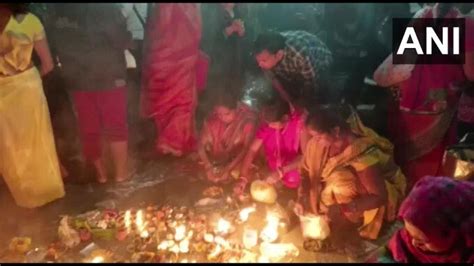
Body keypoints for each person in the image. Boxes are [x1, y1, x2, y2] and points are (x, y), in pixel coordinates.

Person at [373, 3, 474, 188]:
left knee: (409, 166)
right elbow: (471, 73)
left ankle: (411, 203)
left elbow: (396, 63)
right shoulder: (466, 24)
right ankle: (431, 203)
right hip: (439, 107)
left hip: (408, 105)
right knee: (436, 167)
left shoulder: (421, 17)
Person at [295, 106, 406, 240]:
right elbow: (306, 172)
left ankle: (355, 220)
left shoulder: (360, 152)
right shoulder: (317, 145)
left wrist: (344, 209)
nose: (315, 141)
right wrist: (302, 197)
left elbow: (379, 197)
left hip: (370, 197)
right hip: (336, 197)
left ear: (335, 131)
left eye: (319, 137)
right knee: (330, 183)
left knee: (339, 178)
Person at [50, 3, 132, 183]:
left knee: (89, 128)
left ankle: (101, 176)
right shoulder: (104, 7)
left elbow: (55, 42)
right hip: (108, 75)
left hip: (77, 78)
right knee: (116, 127)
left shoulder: (59, 9)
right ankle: (121, 176)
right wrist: (127, 34)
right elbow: (120, 39)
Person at [0, 3, 65, 208]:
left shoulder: (30, 21)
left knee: (10, 146)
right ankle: (46, 193)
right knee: (36, 141)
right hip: (27, 85)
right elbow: (47, 65)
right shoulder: (30, 21)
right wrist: (29, 77)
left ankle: (27, 198)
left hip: (6, 88)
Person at [141, 3, 202, 157]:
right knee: (181, 101)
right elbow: (196, 31)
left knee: (172, 100)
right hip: (177, 58)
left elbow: (156, 30)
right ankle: (173, 143)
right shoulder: (184, 7)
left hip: (167, 58)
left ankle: (171, 143)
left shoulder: (162, 7)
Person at [370, 176, 474, 263]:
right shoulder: (408, 239)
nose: (414, 243)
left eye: (422, 241)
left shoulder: (468, 253)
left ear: (451, 234)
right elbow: (388, 254)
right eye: (410, 234)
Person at [234, 97, 309, 202]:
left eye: (274, 124)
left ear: (285, 118)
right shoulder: (267, 125)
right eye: (269, 123)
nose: (270, 126)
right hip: (272, 164)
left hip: (292, 165)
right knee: (246, 173)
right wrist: (242, 178)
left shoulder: (299, 124)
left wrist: (281, 172)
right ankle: (275, 183)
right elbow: (252, 150)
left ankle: (287, 190)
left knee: (293, 178)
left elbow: (305, 157)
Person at [254, 30, 333, 109]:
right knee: (287, 91)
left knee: (318, 93)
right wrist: (285, 95)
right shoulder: (266, 54)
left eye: (263, 61)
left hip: (319, 62)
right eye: (258, 61)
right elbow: (272, 77)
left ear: (278, 55)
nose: (259, 64)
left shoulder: (300, 55)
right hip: (293, 64)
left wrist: (303, 102)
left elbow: (310, 82)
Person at [198, 93, 257, 183]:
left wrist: (228, 169)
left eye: (227, 114)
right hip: (217, 161)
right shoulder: (213, 121)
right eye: (219, 114)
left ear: (235, 109)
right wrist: (208, 166)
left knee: (246, 174)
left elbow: (246, 149)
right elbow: (200, 145)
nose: (223, 118)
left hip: (238, 161)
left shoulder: (247, 121)